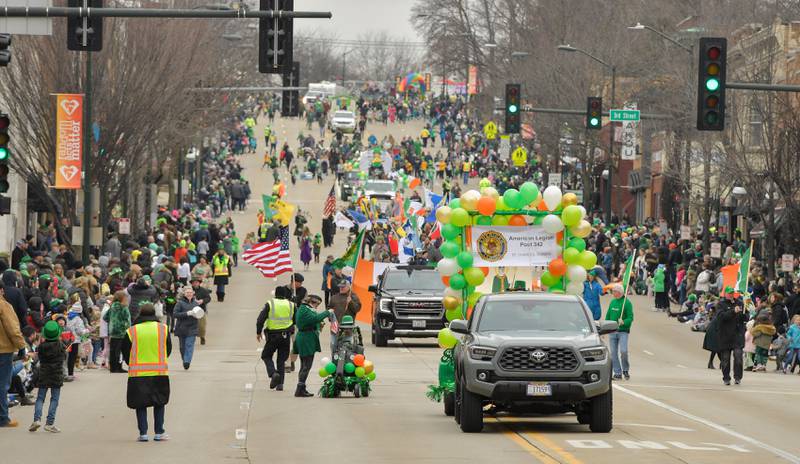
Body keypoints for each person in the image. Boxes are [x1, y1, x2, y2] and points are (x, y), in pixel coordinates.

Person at [121, 303, 172, 442]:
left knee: (140, 404)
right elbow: (168, 348)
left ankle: (143, 433)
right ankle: (159, 432)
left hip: (138, 374)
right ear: (154, 313)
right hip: (159, 373)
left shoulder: (132, 331)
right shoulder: (163, 329)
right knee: (159, 403)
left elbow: (125, 350)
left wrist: (130, 362)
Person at [256, 286, 295, 391]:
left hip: (273, 336)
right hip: (286, 336)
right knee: (281, 360)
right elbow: (295, 320)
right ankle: (280, 384)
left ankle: (273, 373)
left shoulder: (270, 303)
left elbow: (260, 319)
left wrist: (258, 332)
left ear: (275, 294)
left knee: (266, 355)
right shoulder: (291, 305)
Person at [292, 294, 332, 397]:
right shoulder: (304, 310)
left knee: (304, 365)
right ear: (311, 302)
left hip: (307, 337)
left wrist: (318, 325)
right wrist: (327, 312)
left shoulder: (305, 309)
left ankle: (302, 387)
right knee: (306, 365)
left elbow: (314, 320)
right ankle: (299, 389)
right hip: (306, 339)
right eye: (317, 304)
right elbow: (314, 318)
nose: (317, 306)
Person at [29, 321, 66, 433]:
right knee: (54, 399)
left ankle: (37, 419)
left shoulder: (41, 347)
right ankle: (50, 423)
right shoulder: (61, 346)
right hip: (57, 374)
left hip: (44, 373)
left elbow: (38, 358)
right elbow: (64, 358)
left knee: (40, 398)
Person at [0, 286, 26, 428]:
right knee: (2, 384)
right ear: (1, 290)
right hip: (3, 350)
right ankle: (3, 418)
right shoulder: (3, 305)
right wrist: (21, 346)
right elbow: (12, 328)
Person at [715, 286, 746, 385]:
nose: (731, 295)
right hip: (725, 336)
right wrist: (733, 311)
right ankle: (726, 378)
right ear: (725, 294)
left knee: (738, 357)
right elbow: (721, 317)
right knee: (725, 359)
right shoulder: (721, 304)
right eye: (729, 293)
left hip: (737, 335)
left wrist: (746, 312)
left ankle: (737, 377)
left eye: (732, 293)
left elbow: (745, 317)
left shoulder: (740, 303)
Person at [605, 284, 633, 380]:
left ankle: (625, 369)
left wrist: (624, 322)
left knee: (623, 351)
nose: (613, 293)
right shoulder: (612, 302)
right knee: (613, 353)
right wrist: (605, 328)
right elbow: (608, 316)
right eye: (612, 291)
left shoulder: (627, 303)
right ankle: (617, 372)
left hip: (623, 331)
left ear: (619, 292)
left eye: (614, 291)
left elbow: (630, 317)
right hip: (613, 331)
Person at [173, 286, 201, 370]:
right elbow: (175, 314)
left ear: (193, 294)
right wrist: (187, 313)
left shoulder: (195, 303)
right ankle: (185, 359)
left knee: (189, 345)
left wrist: (198, 315)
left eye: (190, 292)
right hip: (181, 328)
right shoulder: (180, 303)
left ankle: (187, 361)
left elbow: (200, 314)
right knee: (182, 347)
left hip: (192, 328)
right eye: (187, 293)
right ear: (184, 294)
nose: (189, 294)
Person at [104, 290, 132, 373]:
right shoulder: (124, 308)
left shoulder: (112, 307)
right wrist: (126, 327)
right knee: (123, 351)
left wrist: (112, 322)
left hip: (113, 332)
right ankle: (119, 367)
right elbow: (128, 320)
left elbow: (105, 317)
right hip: (122, 332)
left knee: (113, 350)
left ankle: (113, 367)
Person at [190, 277, 212, 345]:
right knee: (190, 326)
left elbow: (208, 298)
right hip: (190, 310)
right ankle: (191, 339)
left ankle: (202, 336)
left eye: (196, 282)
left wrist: (202, 301)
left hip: (201, 310)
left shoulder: (203, 290)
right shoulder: (189, 290)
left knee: (202, 326)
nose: (195, 284)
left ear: (199, 283)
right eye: (193, 282)